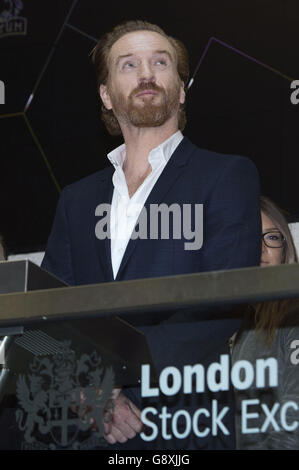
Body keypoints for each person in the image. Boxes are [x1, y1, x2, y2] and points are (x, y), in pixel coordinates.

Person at [41, 20, 261, 449]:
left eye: (160, 63)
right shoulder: (76, 199)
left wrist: (112, 380)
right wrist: (88, 395)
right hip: (90, 430)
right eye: (128, 65)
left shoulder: (226, 175)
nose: (146, 74)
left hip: (182, 426)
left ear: (181, 88)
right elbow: (50, 316)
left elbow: (222, 301)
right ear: (106, 95)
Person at [232, 196, 299, 449]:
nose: (261, 249)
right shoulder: (231, 323)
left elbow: (295, 419)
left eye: (271, 237)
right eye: (250, 237)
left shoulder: (294, 312)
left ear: (285, 250)